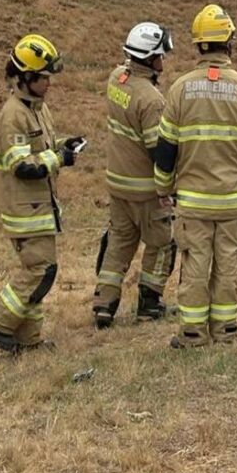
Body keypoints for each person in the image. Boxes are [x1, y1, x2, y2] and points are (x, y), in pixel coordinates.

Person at [155, 5, 237, 348]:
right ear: (229, 43)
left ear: (198, 45)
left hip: (193, 203)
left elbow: (166, 148)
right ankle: (225, 331)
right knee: (227, 267)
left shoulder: (179, 90)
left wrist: (163, 186)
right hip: (234, 202)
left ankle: (192, 333)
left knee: (194, 265)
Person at [0, 35, 84, 353]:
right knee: (41, 271)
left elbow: (41, 148)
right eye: (42, 77)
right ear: (25, 77)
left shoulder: (37, 109)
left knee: (37, 271)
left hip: (41, 207)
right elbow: (21, 165)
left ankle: (28, 339)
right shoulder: (14, 115)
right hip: (24, 210)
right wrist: (58, 159)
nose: (48, 83)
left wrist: (63, 146)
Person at [92, 22, 175, 329]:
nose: (164, 61)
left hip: (117, 184)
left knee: (118, 243)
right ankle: (149, 304)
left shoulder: (117, 79)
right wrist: (171, 184)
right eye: (161, 55)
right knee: (162, 243)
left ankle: (103, 304)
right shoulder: (151, 100)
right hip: (146, 191)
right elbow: (158, 151)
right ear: (151, 57)